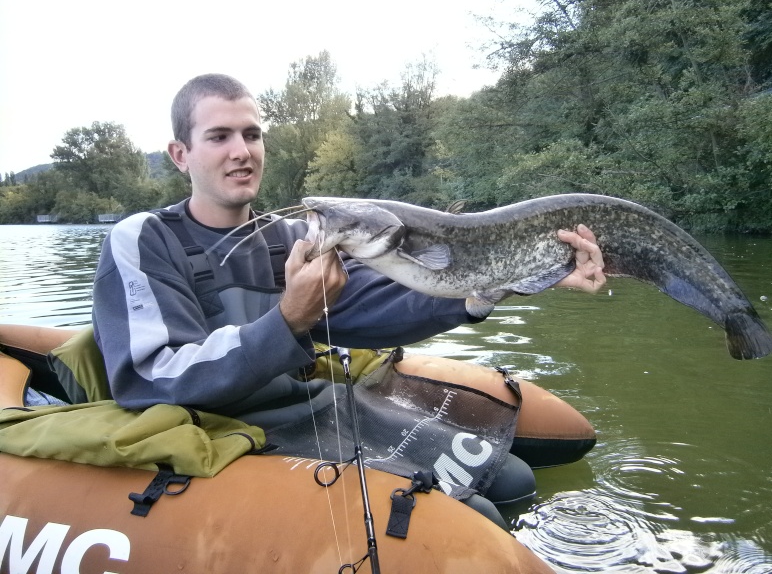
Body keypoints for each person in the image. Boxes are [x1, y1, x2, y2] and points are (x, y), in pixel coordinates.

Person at [92, 73, 605, 526]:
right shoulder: (145, 238)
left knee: (511, 480)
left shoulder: (291, 235)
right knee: (475, 515)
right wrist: (289, 319)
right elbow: (152, 375)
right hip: (219, 428)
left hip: (306, 408)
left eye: (252, 134)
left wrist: (510, 276)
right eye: (219, 136)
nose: (241, 151)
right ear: (180, 153)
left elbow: (381, 302)